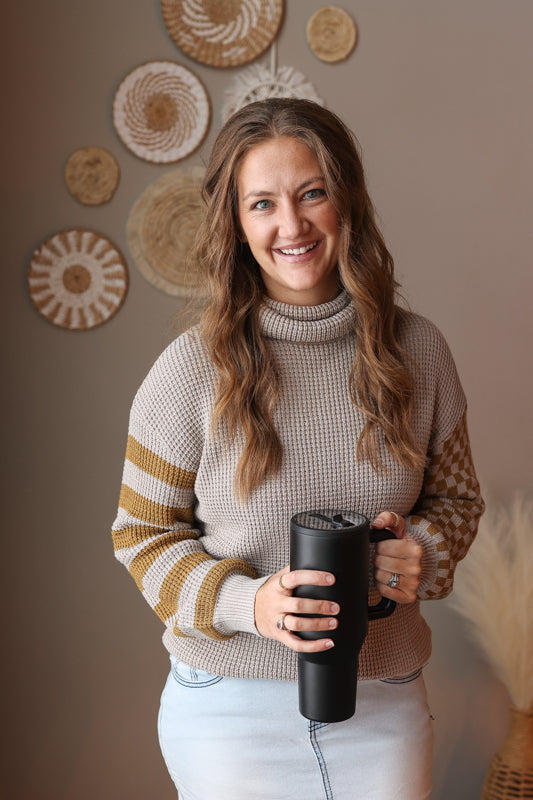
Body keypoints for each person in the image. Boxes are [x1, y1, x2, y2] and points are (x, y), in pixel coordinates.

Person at [111, 98, 484, 799]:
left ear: (347, 200)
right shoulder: (189, 368)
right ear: (235, 223)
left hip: (384, 700)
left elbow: (458, 503)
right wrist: (249, 604)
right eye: (262, 204)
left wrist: (421, 553)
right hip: (229, 709)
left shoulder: (419, 351)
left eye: (312, 193)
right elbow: (140, 537)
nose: (292, 225)